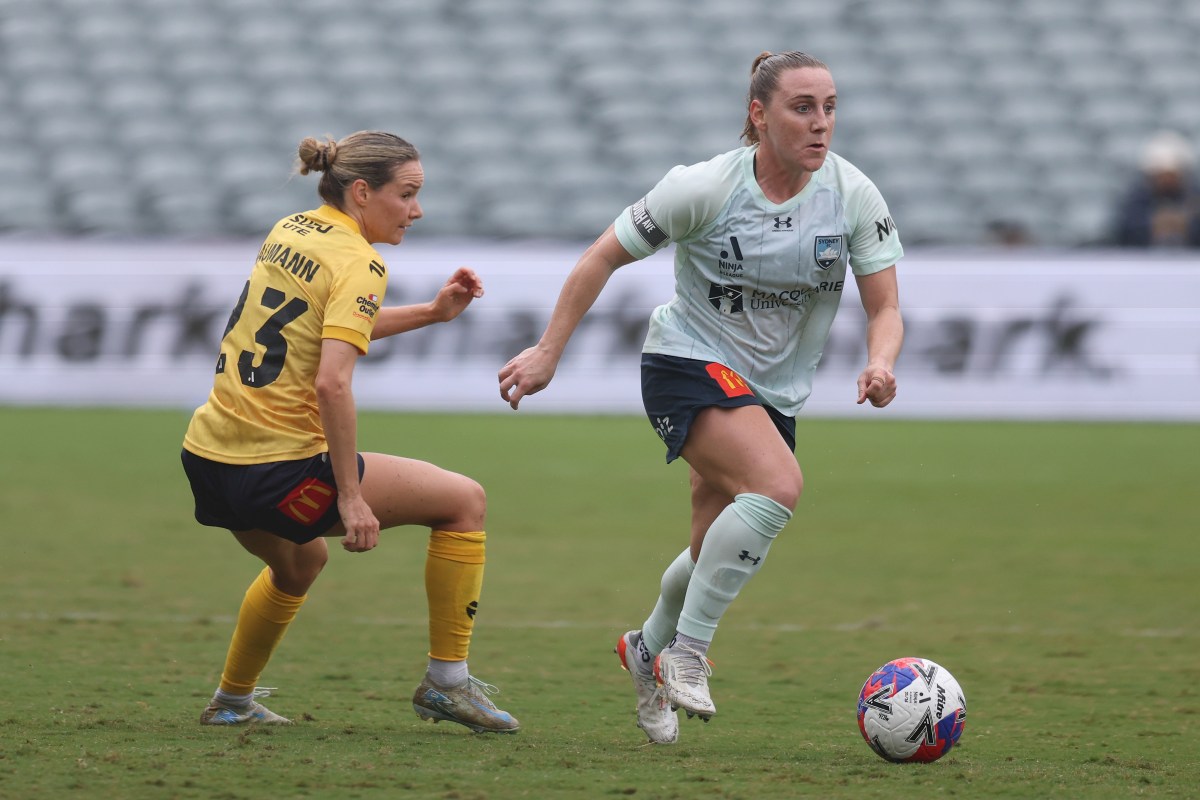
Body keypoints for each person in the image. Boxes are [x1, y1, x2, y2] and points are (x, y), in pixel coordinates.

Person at [498, 51, 903, 745]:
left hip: (772, 392)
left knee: (708, 548)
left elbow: (886, 305)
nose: (821, 124)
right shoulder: (703, 188)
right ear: (759, 114)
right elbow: (602, 256)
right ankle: (688, 652)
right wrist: (547, 351)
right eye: (802, 107)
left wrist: (881, 360)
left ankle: (647, 649)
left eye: (830, 107)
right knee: (777, 487)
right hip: (686, 362)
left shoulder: (853, 196)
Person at [181, 130, 519, 733]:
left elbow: (320, 328)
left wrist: (432, 313)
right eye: (408, 194)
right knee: (464, 501)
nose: (416, 210)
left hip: (209, 456)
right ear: (363, 192)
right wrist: (351, 495)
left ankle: (231, 703)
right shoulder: (362, 261)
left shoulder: (292, 228)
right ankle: (447, 683)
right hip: (278, 467)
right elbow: (332, 383)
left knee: (300, 563)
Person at [1111, 129, 1200, 248]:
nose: (1166, 180)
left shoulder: (1194, 196)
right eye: (1161, 175)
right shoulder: (1136, 198)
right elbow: (1122, 228)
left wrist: (1185, 225)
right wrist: (1154, 225)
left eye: (1172, 175)